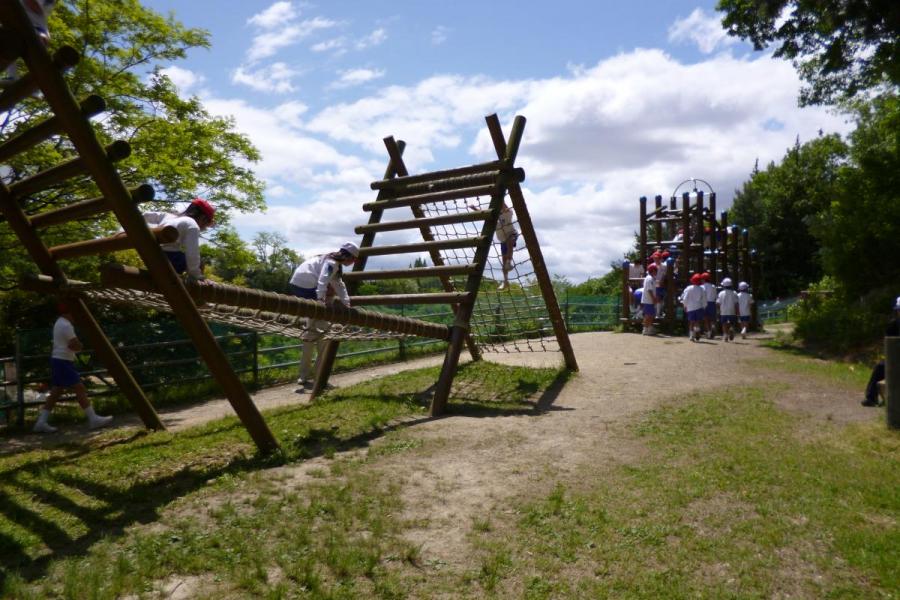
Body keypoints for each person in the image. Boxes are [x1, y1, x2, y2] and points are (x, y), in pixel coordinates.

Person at [33, 302, 113, 433]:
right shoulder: (66, 325)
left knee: (56, 392)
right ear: (70, 312)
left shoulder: (60, 322)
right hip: (63, 361)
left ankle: (41, 422)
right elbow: (74, 344)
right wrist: (80, 346)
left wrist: (75, 346)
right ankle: (93, 419)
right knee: (79, 387)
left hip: (59, 360)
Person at [288, 242, 359, 387]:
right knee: (322, 337)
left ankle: (305, 376)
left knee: (311, 335)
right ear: (348, 256)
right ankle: (318, 376)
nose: (354, 262)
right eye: (354, 259)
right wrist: (321, 300)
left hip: (298, 285)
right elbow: (323, 280)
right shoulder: (332, 263)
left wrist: (346, 303)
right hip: (306, 287)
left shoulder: (332, 262)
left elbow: (339, 284)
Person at [142, 197, 215, 282]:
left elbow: (145, 215)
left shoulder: (169, 216)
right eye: (206, 225)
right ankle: (194, 284)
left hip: (150, 256)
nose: (204, 228)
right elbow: (192, 254)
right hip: (168, 260)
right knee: (199, 263)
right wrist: (197, 275)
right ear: (203, 218)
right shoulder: (192, 225)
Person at [2, 1, 56, 84]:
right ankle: (13, 76)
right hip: (17, 30)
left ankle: (35, 86)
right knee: (9, 42)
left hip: (37, 30)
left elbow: (36, 7)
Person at [862, 296, 900, 407]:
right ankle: (871, 397)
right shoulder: (892, 326)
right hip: (895, 358)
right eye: (898, 310)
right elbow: (889, 346)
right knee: (880, 367)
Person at [496, 200, 519, 291]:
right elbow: (483, 213)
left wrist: (500, 197)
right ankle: (505, 282)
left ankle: (509, 262)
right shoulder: (493, 219)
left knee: (510, 241)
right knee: (503, 262)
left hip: (512, 234)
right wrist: (474, 208)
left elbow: (505, 207)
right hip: (503, 240)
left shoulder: (507, 214)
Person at [681, 273, 706, 341]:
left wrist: (685, 305)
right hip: (699, 307)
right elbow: (704, 299)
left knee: (691, 322)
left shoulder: (689, 288)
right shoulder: (702, 289)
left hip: (690, 307)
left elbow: (685, 298)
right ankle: (697, 331)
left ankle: (691, 336)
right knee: (697, 321)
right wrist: (704, 306)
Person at [717, 277, 739, 342]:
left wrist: (718, 310)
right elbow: (736, 303)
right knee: (732, 323)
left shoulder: (720, 293)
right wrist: (737, 311)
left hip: (723, 311)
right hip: (732, 311)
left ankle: (725, 335)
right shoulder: (734, 293)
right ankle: (731, 328)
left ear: (723, 285)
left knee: (724, 324)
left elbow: (718, 303)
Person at [641, 263, 658, 335]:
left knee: (651, 315)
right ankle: (645, 329)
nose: (656, 272)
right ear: (652, 270)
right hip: (648, 300)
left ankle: (649, 328)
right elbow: (649, 290)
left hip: (650, 300)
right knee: (648, 315)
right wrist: (654, 298)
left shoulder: (651, 278)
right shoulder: (649, 279)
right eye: (655, 270)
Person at [701, 272, 717, 339]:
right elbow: (715, 296)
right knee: (712, 318)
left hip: (704, 303)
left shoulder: (701, 286)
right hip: (712, 303)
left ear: (703, 279)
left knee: (706, 318)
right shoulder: (713, 286)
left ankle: (709, 332)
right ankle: (713, 326)